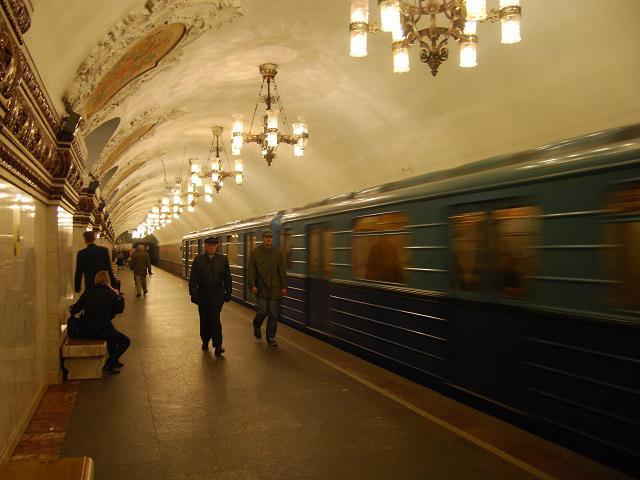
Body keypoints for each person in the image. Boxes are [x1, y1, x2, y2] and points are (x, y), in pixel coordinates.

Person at [69, 270, 130, 374]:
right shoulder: (111, 293)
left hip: (86, 329)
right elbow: (119, 310)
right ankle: (109, 364)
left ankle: (114, 361)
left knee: (111, 334)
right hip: (101, 330)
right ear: (108, 280)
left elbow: (75, 309)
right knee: (125, 341)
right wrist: (118, 296)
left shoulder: (89, 291)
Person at [188, 237, 232, 355]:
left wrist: (228, 292)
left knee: (215, 320)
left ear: (217, 246)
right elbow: (193, 279)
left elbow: (227, 277)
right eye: (209, 245)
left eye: (214, 245)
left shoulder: (223, 259)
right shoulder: (198, 260)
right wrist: (193, 293)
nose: (212, 247)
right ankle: (205, 340)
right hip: (203, 296)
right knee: (204, 320)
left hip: (217, 296)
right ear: (205, 246)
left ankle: (218, 345)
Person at [248, 229, 287, 347]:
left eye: (270, 237)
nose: (268, 239)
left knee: (273, 314)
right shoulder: (255, 253)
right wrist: (252, 285)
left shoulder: (278, 253)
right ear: (262, 239)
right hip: (261, 288)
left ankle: (270, 337)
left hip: (275, 288)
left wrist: (284, 286)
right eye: (266, 237)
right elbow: (251, 271)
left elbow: (282, 271)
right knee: (263, 310)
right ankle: (257, 324)